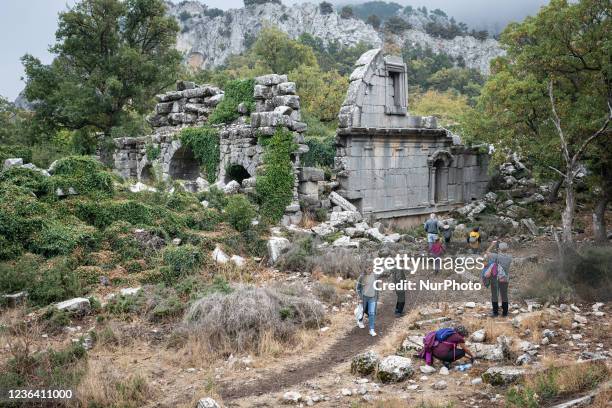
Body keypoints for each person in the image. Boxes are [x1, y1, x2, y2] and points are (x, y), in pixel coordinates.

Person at [483, 240, 513, 317]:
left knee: (494, 295)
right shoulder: (510, 257)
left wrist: (492, 244)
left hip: (495, 279)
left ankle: (495, 313)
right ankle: (505, 313)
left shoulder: (496, 256)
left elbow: (486, 252)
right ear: (507, 249)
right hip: (505, 278)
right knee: (504, 295)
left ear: (499, 249)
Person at [356, 269, 379, 336]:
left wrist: (377, 297)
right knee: (362, 311)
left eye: (371, 268)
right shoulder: (361, 277)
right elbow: (358, 288)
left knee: (372, 313)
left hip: (372, 297)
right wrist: (360, 297)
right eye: (368, 268)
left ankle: (371, 329)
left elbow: (376, 288)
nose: (370, 270)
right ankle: (360, 321)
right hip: (363, 297)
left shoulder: (375, 276)